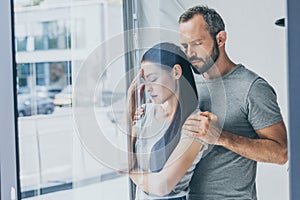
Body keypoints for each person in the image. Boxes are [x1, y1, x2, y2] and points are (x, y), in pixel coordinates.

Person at [178, 5, 288, 200]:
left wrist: (221, 137)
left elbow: (281, 153)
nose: (190, 53)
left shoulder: (252, 87)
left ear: (220, 39)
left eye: (196, 43)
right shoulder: (187, 84)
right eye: (185, 46)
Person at [127, 42, 207, 200]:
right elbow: (120, 156)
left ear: (176, 72)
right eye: (145, 81)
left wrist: (131, 170)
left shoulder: (195, 124)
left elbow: (162, 186)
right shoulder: (146, 113)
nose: (148, 88)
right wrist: (130, 103)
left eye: (153, 78)